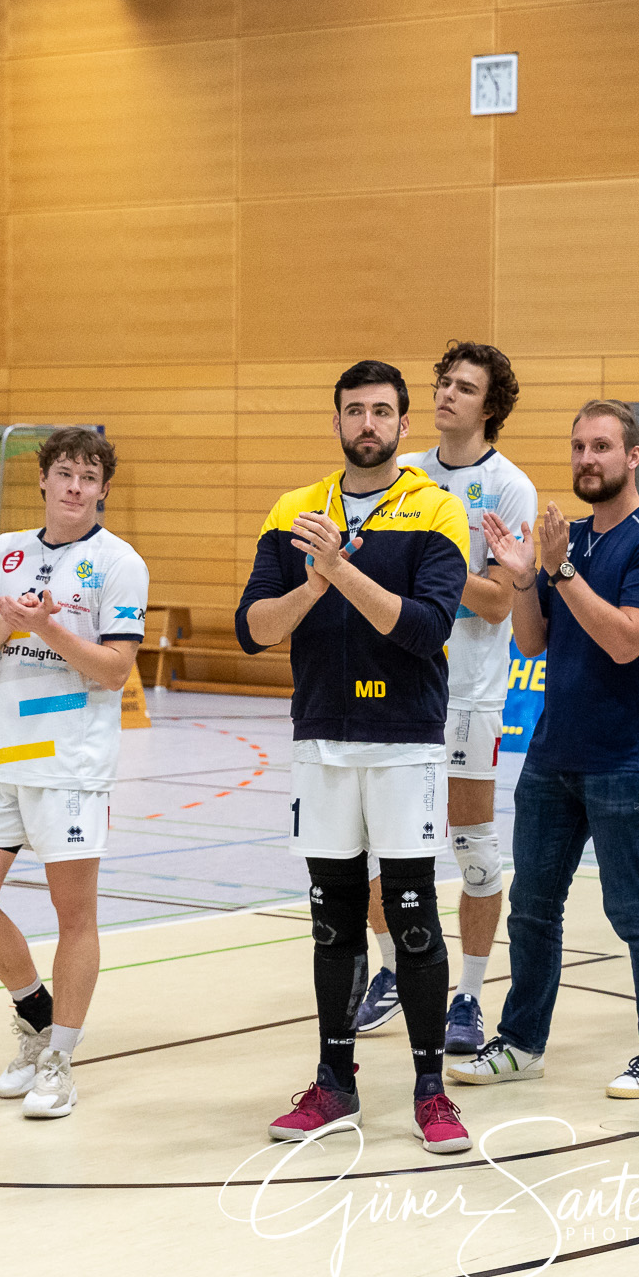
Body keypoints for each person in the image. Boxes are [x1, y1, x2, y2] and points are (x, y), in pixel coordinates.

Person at [238, 360, 475, 1152]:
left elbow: (426, 628)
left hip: (405, 740)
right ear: (336, 420)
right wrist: (314, 583)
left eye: (381, 411)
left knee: (412, 919)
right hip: (322, 741)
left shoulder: (437, 510)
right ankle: (334, 1082)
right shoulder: (293, 510)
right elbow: (255, 629)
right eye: (354, 410)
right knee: (332, 923)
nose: (366, 423)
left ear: (404, 425)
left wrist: (339, 569)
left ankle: (431, 1087)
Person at [447, 399, 639, 1100]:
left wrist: (556, 574)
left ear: (633, 457)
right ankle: (522, 1041)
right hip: (554, 756)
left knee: (635, 909)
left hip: (629, 759)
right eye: (579, 446)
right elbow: (531, 642)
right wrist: (523, 576)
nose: (587, 459)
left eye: (602, 447)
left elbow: (623, 639)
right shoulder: (569, 541)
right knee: (532, 906)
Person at [0, 428, 148, 1120]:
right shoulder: (6, 552)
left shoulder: (118, 563)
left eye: (88, 477)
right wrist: (8, 619)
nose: (73, 486)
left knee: (74, 915)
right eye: (63, 473)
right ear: (42, 480)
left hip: (72, 763)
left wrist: (49, 628)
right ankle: (35, 1009)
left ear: (103, 490)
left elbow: (116, 669)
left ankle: (60, 1056)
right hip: (0, 758)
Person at [349, 342, 535, 1055]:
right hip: (393, 685)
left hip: (470, 693)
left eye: (463, 387)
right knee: (372, 845)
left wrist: (432, 561)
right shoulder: (405, 473)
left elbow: (495, 602)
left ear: (490, 406)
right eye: (443, 382)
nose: (446, 395)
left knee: (475, 849)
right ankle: (393, 971)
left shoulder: (507, 486)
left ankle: (469, 994)